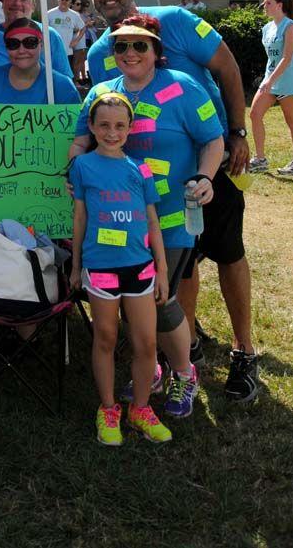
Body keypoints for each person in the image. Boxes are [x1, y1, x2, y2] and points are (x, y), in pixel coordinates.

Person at [86, 0, 258, 403]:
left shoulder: (177, 22)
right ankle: (184, 351)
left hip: (204, 166)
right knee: (174, 276)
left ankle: (243, 350)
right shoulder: (98, 54)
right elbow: (95, 124)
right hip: (137, 197)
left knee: (226, 253)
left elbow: (228, 68)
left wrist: (236, 132)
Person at [72, 14, 224, 418]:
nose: (130, 53)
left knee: (162, 299)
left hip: (170, 219)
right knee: (132, 305)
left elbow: (213, 140)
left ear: (157, 51)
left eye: (140, 45)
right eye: (121, 45)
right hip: (112, 225)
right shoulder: (103, 91)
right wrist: (73, 173)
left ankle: (184, 374)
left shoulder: (182, 87)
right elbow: (80, 139)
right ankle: (151, 368)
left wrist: (205, 177)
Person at [70, 92, 171, 445]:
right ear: (93, 128)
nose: (112, 132)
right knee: (107, 337)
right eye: (104, 125)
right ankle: (109, 407)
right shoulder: (82, 166)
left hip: (140, 269)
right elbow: (80, 217)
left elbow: (152, 221)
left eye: (119, 126)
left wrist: (162, 270)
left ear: (129, 128)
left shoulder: (140, 168)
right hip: (100, 269)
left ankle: (140, 408)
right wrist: (76, 266)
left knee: (145, 342)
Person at [249, 0, 293, 175]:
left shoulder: (290, 26)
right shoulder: (266, 28)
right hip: (270, 79)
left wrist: (270, 80)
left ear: (280, 5)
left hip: (288, 80)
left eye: (268, 3)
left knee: (292, 121)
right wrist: (267, 78)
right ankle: (260, 159)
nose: (264, 6)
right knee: (255, 114)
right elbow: (272, 58)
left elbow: (287, 58)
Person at [0, 18, 81, 105]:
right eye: (13, 44)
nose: (21, 50)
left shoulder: (62, 86)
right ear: (6, 48)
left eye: (30, 42)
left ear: (41, 45)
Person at [0, 0, 72, 79]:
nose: (17, 3)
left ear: (33, 6)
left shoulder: (49, 35)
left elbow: (64, 81)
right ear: (2, 3)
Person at [48, 0, 85, 71]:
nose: (64, 2)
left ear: (70, 2)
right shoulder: (49, 14)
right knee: (53, 75)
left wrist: (76, 41)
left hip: (67, 52)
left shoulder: (74, 15)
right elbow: (43, 30)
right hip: (52, 51)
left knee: (67, 75)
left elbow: (83, 28)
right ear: (58, 0)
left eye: (66, 0)